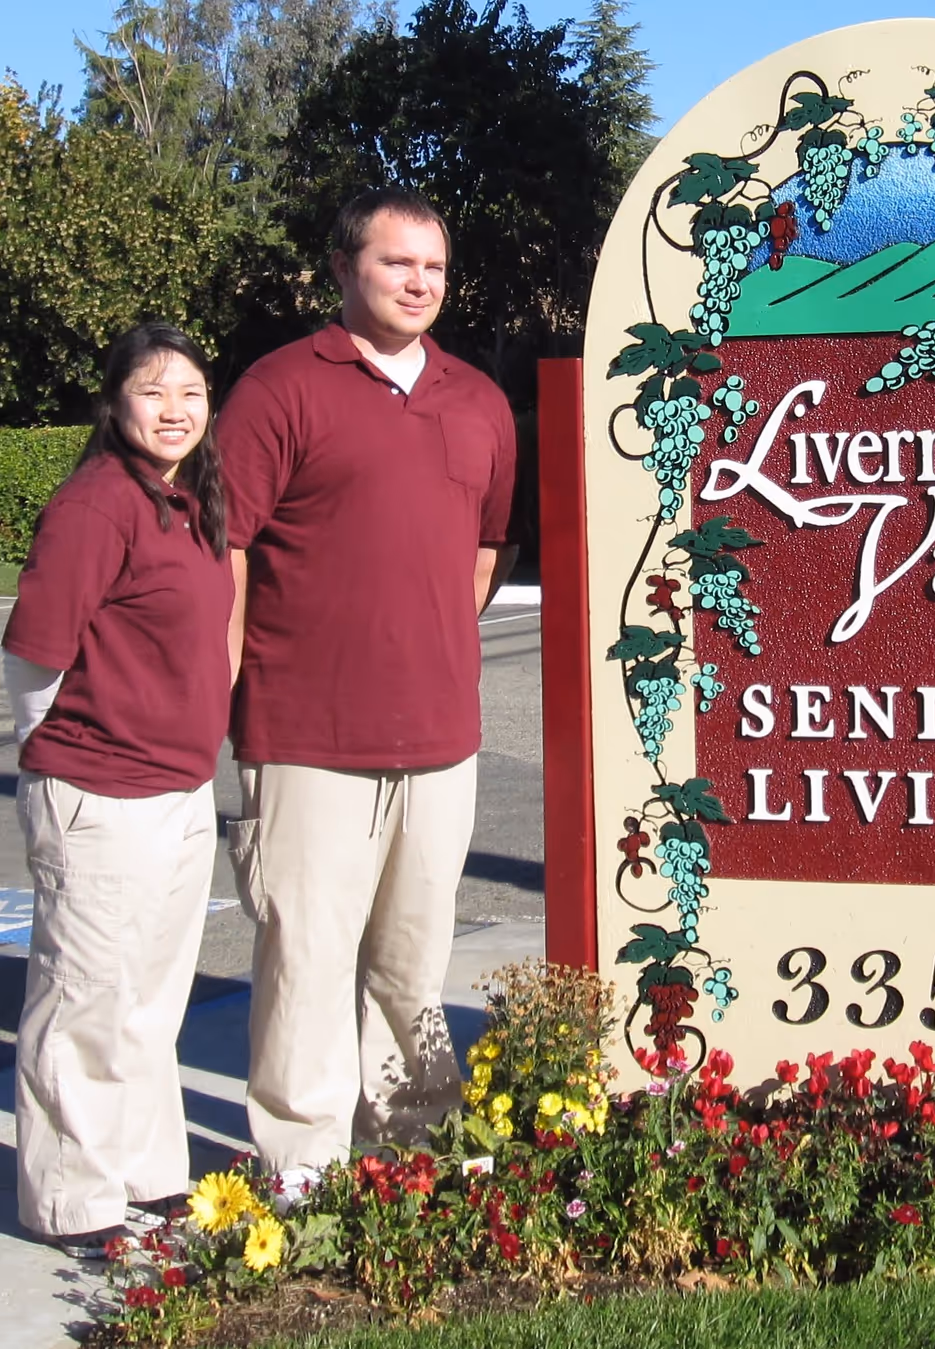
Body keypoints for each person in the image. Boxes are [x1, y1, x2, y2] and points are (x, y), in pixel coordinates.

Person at [218, 188, 518, 1194]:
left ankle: (414, 1149)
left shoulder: (478, 400)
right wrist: (231, 701)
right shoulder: (279, 387)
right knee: (304, 960)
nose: (419, 283)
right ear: (343, 269)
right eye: (398, 264)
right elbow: (229, 555)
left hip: (441, 738)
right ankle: (301, 1162)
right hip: (306, 734)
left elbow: (483, 551)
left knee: (412, 960)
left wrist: (420, 651)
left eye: (433, 266)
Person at [5, 324, 234, 1257]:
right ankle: (72, 1196)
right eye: (153, 392)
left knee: (149, 999)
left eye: (190, 391)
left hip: (177, 789)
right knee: (87, 999)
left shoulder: (182, 500)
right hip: (99, 792)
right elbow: (30, 660)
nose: (175, 409)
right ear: (114, 403)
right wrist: (51, 755)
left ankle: (144, 1171)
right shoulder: (97, 506)